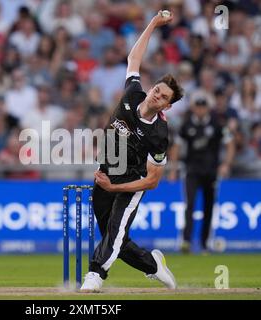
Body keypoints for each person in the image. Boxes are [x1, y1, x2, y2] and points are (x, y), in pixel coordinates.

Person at [80, 11, 183, 292]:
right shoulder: (133, 93)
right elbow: (133, 59)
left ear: (167, 106)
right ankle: (153, 264)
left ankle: (95, 274)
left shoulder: (159, 135)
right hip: (106, 172)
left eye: (163, 97)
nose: (157, 95)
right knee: (115, 239)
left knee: (114, 232)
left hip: (130, 184)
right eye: (157, 90)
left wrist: (116, 188)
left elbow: (153, 181)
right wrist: (152, 23)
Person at [168, 97, 235, 254]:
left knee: (208, 207)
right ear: (194, 108)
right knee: (189, 205)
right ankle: (186, 241)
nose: (200, 110)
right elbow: (176, 146)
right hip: (192, 171)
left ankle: (205, 243)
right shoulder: (187, 124)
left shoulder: (216, 123)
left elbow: (230, 144)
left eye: (203, 107)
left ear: (207, 108)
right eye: (197, 107)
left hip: (211, 172)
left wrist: (226, 164)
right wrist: (173, 169)